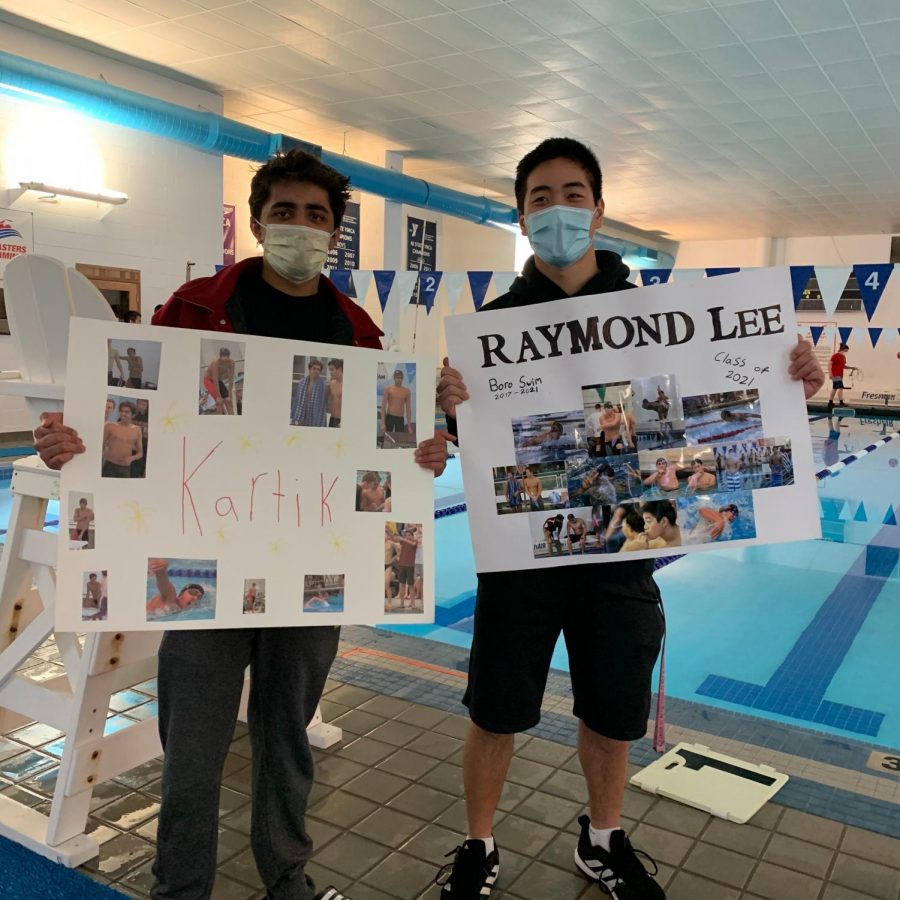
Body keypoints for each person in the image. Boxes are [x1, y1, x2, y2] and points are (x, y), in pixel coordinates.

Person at [34, 148, 448, 900]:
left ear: (335, 233)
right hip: (201, 563)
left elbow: (380, 452)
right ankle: (180, 885)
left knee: (287, 739)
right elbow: (134, 412)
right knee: (192, 744)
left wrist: (420, 454)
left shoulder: (357, 333)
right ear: (258, 222)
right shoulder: (193, 308)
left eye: (316, 216)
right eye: (284, 212)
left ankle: (285, 876)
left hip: (312, 571)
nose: (300, 227)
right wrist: (77, 442)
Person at [435, 137, 825, 900]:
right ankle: (479, 844)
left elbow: (716, 417)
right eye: (540, 198)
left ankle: (603, 839)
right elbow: (471, 449)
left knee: (614, 714)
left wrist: (791, 380)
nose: (557, 210)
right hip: (522, 559)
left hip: (623, 550)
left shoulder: (659, 311)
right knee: (494, 709)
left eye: (572, 194)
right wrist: (452, 409)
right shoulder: (496, 328)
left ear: (600, 209)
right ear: (522, 215)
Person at [102, 401, 143, 478]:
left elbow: (140, 453)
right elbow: (100, 445)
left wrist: (131, 458)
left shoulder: (137, 430)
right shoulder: (110, 426)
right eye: (121, 411)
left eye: (126, 412)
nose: (123, 414)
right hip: (109, 465)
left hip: (125, 468)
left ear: (133, 415)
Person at [291, 358, 327, 426]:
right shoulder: (302, 382)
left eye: (318, 369)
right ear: (309, 369)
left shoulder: (324, 385)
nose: (316, 371)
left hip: (315, 418)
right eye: (314, 368)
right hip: (302, 416)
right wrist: (293, 419)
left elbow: (324, 405)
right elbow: (296, 400)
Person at [204, 347, 235, 415]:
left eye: (227, 357)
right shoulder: (216, 362)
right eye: (224, 357)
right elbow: (215, 378)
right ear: (220, 356)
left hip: (218, 380)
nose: (226, 359)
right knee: (219, 402)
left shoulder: (231, 363)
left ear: (229, 356)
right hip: (208, 380)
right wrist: (218, 396)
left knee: (228, 401)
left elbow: (231, 378)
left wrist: (230, 395)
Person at [381, 368, 412, 434]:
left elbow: (408, 409)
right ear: (394, 378)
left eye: (401, 378)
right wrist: (383, 423)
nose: (399, 379)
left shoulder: (406, 391)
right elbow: (383, 407)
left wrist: (409, 426)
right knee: (388, 440)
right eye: (397, 377)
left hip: (400, 419)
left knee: (400, 439)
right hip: (390, 417)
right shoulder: (388, 389)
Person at [326, 358, 343, 427]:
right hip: (332, 419)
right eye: (330, 370)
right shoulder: (331, 384)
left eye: (332, 369)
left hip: (341, 419)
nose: (330, 372)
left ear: (339, 369)